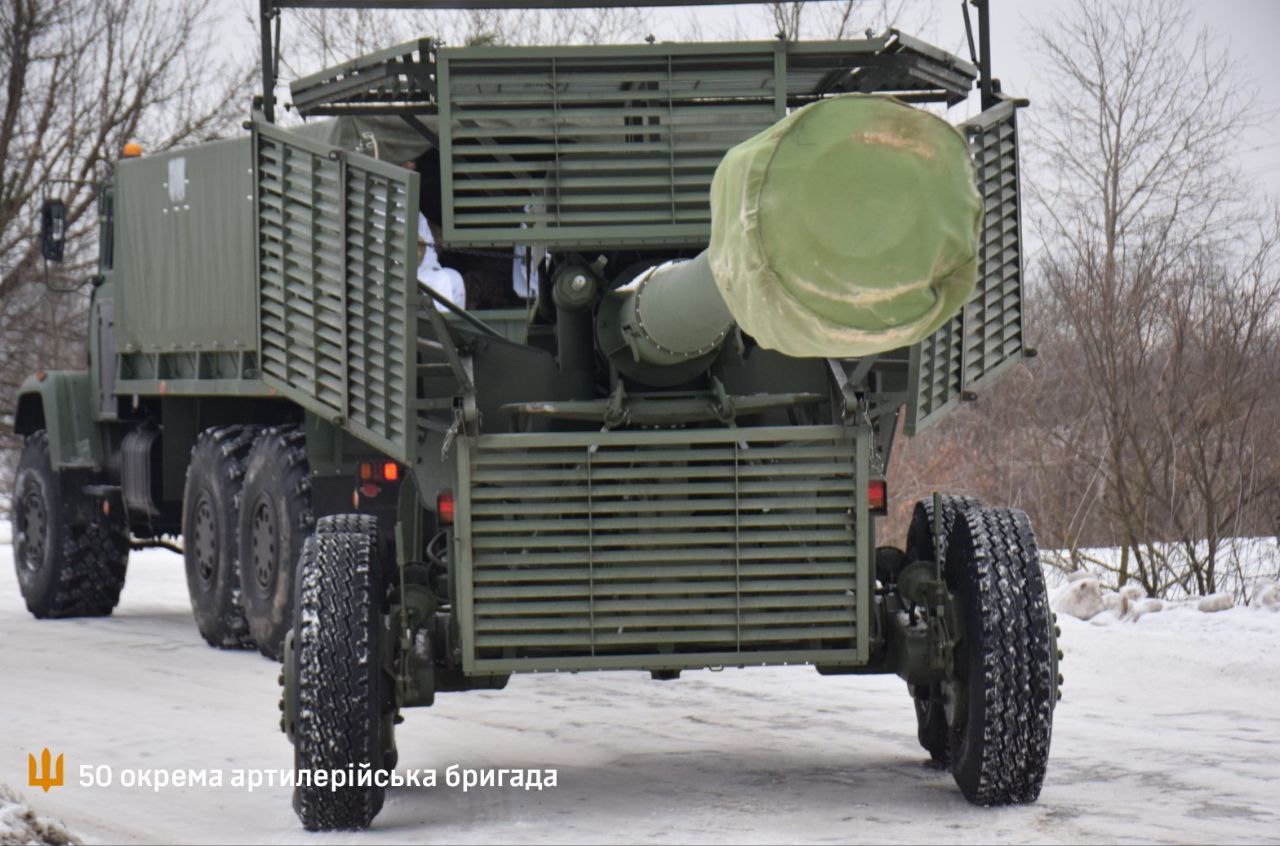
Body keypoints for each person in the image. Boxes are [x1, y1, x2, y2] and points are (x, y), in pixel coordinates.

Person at [416, 211, 466, 311]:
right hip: (401, 274)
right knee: (443, 282)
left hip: (424, 269)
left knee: (455, 278)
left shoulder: (416, 214)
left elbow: (429, 248)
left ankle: (453, 325)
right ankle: (439, 326)